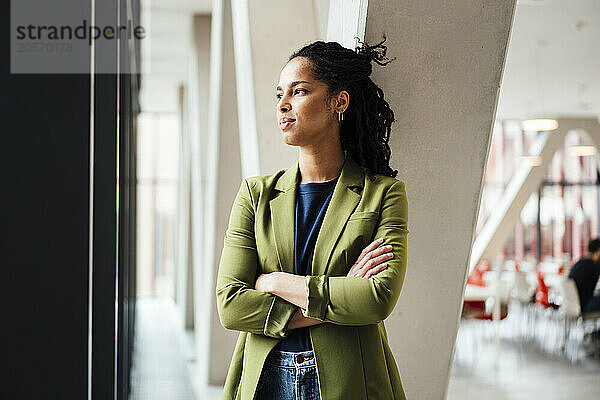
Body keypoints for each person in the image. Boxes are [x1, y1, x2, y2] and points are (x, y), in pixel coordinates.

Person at [215, 38, 409, 400]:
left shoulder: (383, 194)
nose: (283, 105)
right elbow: (231, 305)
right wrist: (337, 294)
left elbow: (376, 298)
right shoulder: (256, 195)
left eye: (299, 91)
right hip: (265, 378)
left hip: (349, 378)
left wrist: (273, 280)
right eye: (278, 95)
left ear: (339, 101)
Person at [568, 238, 600, 313]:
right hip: (585, 305)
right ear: (598, 252)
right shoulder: (592, 265)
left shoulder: (580, 263)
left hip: (575, 305)